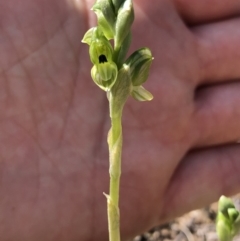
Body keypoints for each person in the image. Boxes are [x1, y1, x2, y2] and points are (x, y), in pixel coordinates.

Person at [0, 0, 240, 240]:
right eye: (98, 54)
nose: (101, 57)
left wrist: (124, 75)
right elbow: (103, 64)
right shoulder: (104, 60)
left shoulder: (123, 71)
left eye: (101, 53)